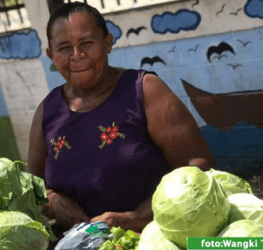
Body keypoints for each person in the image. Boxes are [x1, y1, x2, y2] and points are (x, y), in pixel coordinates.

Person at [27, 2, 215, 244]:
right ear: (51, 55)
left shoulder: (143, 90)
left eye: (86, 43)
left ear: (107, 42)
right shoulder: (47, 111)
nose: (77, 55)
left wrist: (133, 217)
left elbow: (198, 165)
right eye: (64, 48)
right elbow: (32, 185)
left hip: (154, 239)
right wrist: (51, 200)